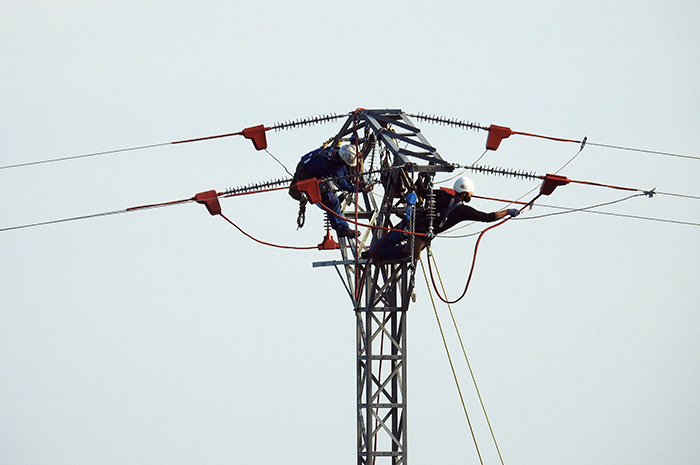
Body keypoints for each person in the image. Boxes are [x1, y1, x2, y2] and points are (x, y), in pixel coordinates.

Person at [363, 175, 519, 261]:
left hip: (409, 224)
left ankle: (370, 252)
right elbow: (488, 217)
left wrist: (420, 178)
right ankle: (376, 255)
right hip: (419, 236)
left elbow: (423, 191)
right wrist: (507, 212)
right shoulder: (464, 211)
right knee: (407, 253)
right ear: (465, 193)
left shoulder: (441, 195)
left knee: (387, 239)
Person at [289, 143, 366, 238]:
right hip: (307, 177)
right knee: (332, 201)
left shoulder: (337, 150)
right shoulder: (333, 166)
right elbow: (344, 185)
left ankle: (337, 214)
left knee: (331, 193)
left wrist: (353, 179)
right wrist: (361, 189)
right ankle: (342, 229)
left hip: (306, 165)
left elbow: (343, 167)